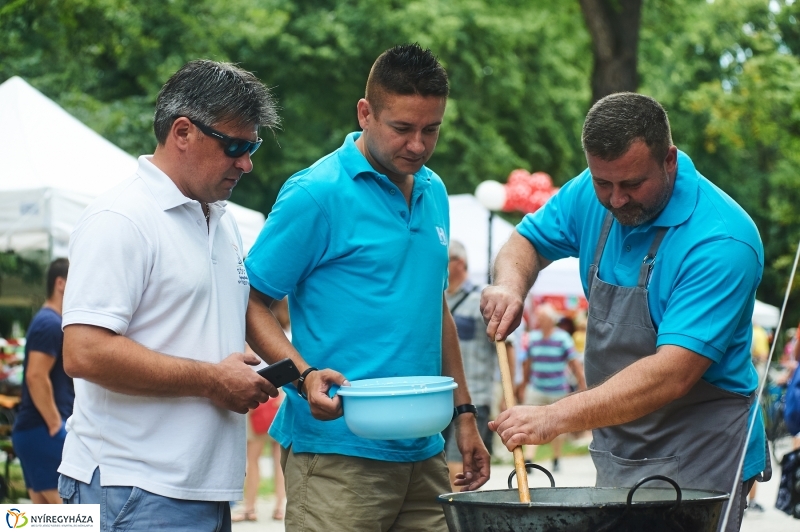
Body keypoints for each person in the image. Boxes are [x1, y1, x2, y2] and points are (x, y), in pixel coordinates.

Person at [483, 92, 768, 532]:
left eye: (632, 184)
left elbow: (673, 373)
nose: (616, 201)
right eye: (604, 184)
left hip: (701, 450)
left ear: (669, 159)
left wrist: (553, 417)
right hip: (620, 440)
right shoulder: (590, 191)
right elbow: (527, 241)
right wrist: (509, 285)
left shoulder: (722, 241)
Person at [244, 43, 490, 531]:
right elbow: (249, 301)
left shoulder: (434, 190)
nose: (418, 145)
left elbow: (432, 306)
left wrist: (464, 413)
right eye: (402, 128)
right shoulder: (316, 193)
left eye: (431, 129)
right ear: (365, 113)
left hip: (424, 454)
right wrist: (302, 374)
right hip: (337, 457)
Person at [58, 60, 280, 531]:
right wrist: (212, 380)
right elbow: (84, 351)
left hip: (195, 489)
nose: (247, 162)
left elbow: (226, 319)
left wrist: (297, 373)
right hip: (131, 487)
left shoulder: (220, 220)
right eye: (236, 146)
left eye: (252, 146)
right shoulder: (121, 217)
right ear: (183, 132)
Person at [12, 258, 71, 504]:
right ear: (60, 283)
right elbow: (36, 376)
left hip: (37, 432)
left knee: (44, 521)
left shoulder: (49, 321)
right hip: (44, 431)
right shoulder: (50, 323)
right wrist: (56, 425)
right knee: (71, 521)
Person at [441, 240, 497, 490]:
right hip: (440, 398)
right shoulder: (436, 298)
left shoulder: (481, 298)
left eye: (445, 260)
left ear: (459, 263)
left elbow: (506, 346)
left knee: (459, 466)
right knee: (439, 466)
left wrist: (508, 392)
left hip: (475, 396)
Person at [232, 298, 291, 523]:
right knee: (278, 459)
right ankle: (280, 506)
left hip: (260, 403)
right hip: (281, 403)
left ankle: (250, 507)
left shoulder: (253, 340)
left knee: (253, 458)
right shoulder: (289, 337)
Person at [519, 303, 586, 471]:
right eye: (539, 318)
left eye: (543, 318)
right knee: (529, 422)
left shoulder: (562, 338)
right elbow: (528, 364)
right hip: (536, 387)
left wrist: (582, 384)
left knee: (558, 426)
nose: (539, 320)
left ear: (551, 320)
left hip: (558, 389)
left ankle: (556, 457)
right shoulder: (533, 338)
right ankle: (529, 459)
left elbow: (574, 363)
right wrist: (523, 384)